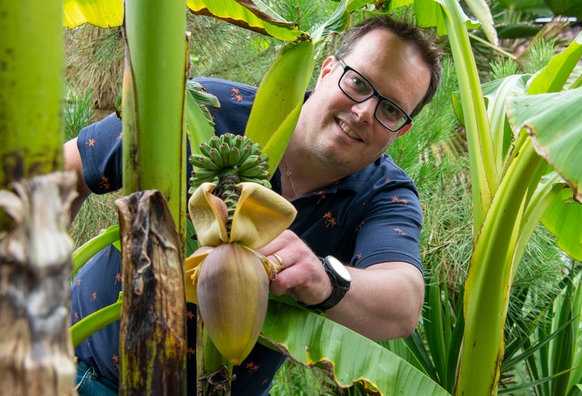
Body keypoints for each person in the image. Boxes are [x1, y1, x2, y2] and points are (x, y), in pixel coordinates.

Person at [65, 15, 443, 395]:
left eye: (391, 109)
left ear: (403, 128)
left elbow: (403, 303)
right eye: (359, 83)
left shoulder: (383, 192)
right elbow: (67, 170)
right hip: (81, 372)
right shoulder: (209, 110)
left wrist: (321, 278)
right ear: (328, 69)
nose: (364, 111)